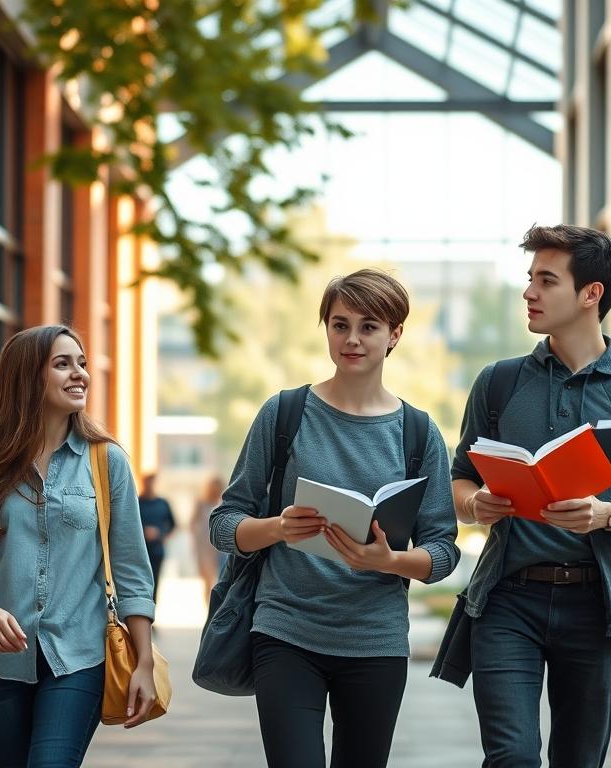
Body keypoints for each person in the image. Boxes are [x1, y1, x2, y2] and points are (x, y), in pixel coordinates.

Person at [209, 268, 460, 768]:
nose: (351, 338)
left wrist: (387, 561)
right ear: (325, 328)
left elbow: (444, 550)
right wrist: (277, 527)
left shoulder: (418, 432)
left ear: (395, 336)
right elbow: (224, 522)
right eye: (339, 324)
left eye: (368, 326)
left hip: (376, 642)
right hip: (285, 632)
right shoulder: (284, 413)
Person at [448, 224, 611, 768]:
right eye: (530, 278)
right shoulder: (500, 383)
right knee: (512, 757)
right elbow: (460, 478)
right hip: (508, 601)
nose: (529, 292)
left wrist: (606, 515)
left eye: (546, 280)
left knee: (579, 759)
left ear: (591, 294)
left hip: (598, 607)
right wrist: (474, 505)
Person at [0, 325, 158, 768]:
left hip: (78, 657)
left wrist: (145, 663)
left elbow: (133, 571)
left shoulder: (107, 461)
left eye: (81, 363)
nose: (80, 374)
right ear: (27, 378)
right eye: (62, 364)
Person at [137, 473, 176, 601]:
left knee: (155, 581)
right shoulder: (136, 502)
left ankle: (152, 611)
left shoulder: (163, 503)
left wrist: (160, 533)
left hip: (157, 550)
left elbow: (172, 525)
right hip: (139, 550)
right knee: (139, 582)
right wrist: (143, 531)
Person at [189, 474, 225, 600]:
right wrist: (195, 542)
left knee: (220, 578)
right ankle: (209, 607)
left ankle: (216, 604)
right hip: (204, 545)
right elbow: (192, 523)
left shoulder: (223, 502)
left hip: (220, 546)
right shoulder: (201, 503)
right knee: (207, 579)